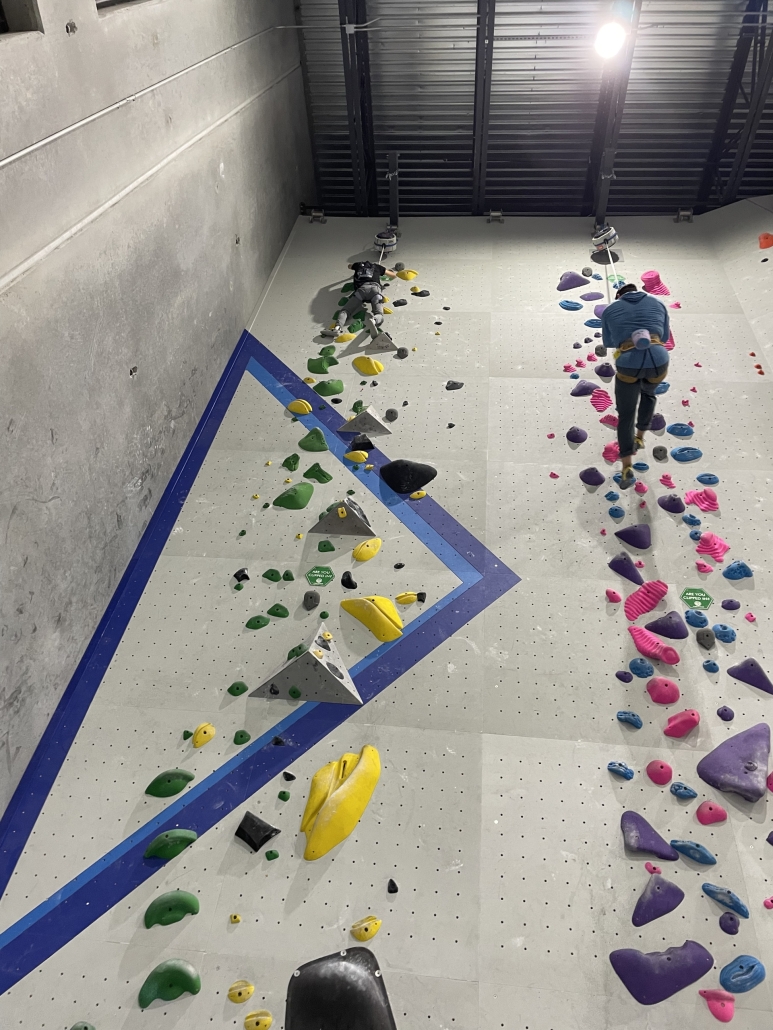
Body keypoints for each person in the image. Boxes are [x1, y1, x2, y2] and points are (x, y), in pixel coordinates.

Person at [599, 283, 671, 490]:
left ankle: (626, 467)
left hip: (628, 364)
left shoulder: (611, 309)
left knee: (626, 414)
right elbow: (664, 337)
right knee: (649, 395)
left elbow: (609, 342)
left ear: (619, 296)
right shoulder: (658, 303)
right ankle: (640, 438)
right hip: (658, 360)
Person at [322, 260, 397, 336]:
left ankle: (337, 328)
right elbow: (393, 275)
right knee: (379, 313)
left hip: (361, 290)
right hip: (375, 290)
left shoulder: (358, 265)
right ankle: (374, 320)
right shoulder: (377, 267)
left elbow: (349, 266)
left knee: (346, 311)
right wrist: (384, 271)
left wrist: (355, 267)